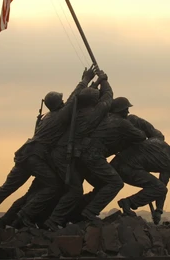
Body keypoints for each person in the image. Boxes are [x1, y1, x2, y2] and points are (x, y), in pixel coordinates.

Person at [0, 66, 96, 230]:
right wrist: (85, 79)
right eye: (61, 101)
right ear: (57, 104)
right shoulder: (60, 115)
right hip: (36, 156)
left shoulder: (46, 118)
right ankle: (24, 215)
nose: (64, 102)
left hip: (25, 153)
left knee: (6, 188)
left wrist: (91, 86)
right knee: (53, 186)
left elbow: (74, 101)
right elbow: (73, 99)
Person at [42, 70, 113, 231]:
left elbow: (79, 96)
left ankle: (61, 217)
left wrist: (92, 82)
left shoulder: (74, 110)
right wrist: (104, 81)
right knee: (74, 190)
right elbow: (108, 98)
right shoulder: (92, 114)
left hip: (60, 153)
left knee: (70, 187)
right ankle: (53, 220)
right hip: (62, 154)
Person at [111, 137, 170, 224]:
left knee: (157, 186)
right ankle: (128, 202)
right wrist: (159, 210)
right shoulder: (169, 164)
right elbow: (162, 188)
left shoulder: (157, 141)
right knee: (160, 188)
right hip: (128, 169)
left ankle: (127, 203)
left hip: (116, 162)